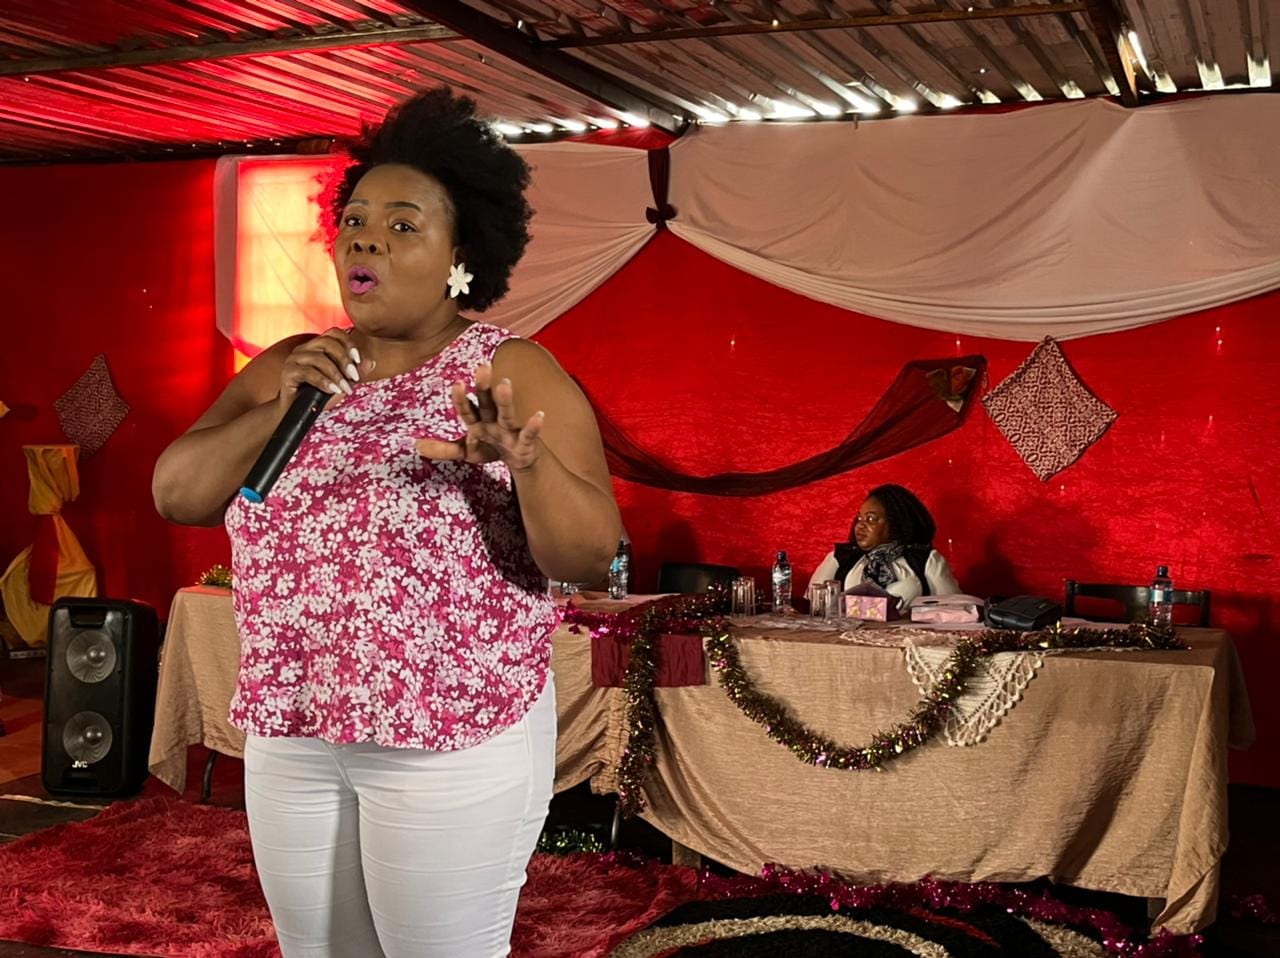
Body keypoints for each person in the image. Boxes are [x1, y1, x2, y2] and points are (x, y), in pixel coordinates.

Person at [152, 88, 622, 957]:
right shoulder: (294, 364)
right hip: (297, 726)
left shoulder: (509, 368)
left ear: (461, 256)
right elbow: (177, 492)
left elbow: (590, 553)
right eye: (357, 221)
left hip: (449, 735)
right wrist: (282, 407)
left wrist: (524, 464)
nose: (366, 239)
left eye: (403, 225)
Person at [807, 483, 959, 609]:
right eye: (859, 518)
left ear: (896, 522)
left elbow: (955, 610)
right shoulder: (841, 558)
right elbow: (813, 607)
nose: (860, 526)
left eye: (871, 519)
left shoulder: (924, 560)